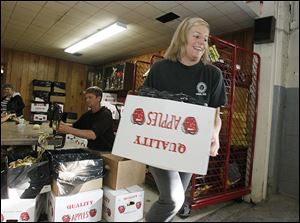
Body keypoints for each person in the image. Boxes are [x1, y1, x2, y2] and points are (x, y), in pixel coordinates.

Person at [142, 17, 227, 222]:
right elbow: (144, 106)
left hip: (191, 147)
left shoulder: (213, 74)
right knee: (173, 199)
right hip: (159, 145)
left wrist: (215, 134)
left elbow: (215, 116)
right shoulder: (159, 68)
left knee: (174, 201)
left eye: (205, 38)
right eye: (196, 35)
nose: (201, 42)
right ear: (182, 37)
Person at [57, 86, 115, 152]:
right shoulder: (88, 114)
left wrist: (68, 129)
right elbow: (76, 126)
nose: (87, 100)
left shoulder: (105, 114)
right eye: (86, 98)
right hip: (92, 149)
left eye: (90, 97)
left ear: (98, 98)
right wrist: (63, 125)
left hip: (106, 152)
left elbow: (92, 135)